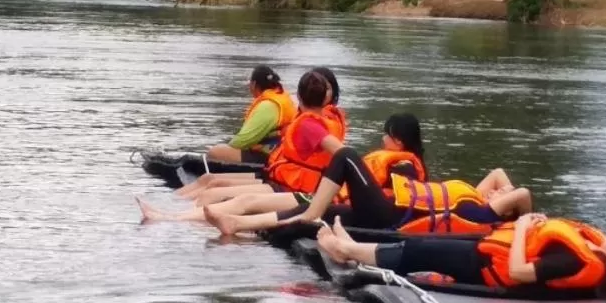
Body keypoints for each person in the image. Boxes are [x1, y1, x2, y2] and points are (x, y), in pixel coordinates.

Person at [138, 113, 426, 225]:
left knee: (249, 202)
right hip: (325, 196)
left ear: (397, 140)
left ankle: (176, 218)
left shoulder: (403, 164)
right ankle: (172, 216)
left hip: (343, 206)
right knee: (244, 201)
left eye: (386, 136)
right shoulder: (392, 159)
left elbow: (400, 199)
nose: (382, 140)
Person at [201, 141, 532, 237]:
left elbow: (522, 196)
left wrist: (524, 220)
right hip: (385, 210)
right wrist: (501, 192)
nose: (498, 190)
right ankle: (238, 224)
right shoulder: (475, 198)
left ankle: (314, 212)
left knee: (344, 156)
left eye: (501, 195)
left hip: (388, 217)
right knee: (318, 208)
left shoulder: (485, 212)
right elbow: (500, 174)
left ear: (504, 209)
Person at [315, 214, 606, 294]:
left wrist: (523, 226)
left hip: (488, 270)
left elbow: (522, 273)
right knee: (422, 246)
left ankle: (345, 249)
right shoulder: (596, 251)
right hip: (489, 253)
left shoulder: (579, 261)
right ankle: (353, 247)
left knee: (419, 250)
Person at [177, 66, 347, 198]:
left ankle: (168, 217)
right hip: (280, 172)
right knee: (210, 181)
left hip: (294, 184)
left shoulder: (316, 123)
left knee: (216, 188)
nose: (318, 90)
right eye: (314, 85)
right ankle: (171, 206)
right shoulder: (305, 117)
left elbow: (342, 154)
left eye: (323, 87)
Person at [201, 65, 297, 166]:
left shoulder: (268, 106)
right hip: (280, 152)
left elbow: (242, 142)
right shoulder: (281, 97)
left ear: (254, 84)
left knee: (215, 152)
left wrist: (225, 148)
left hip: (272, 157)